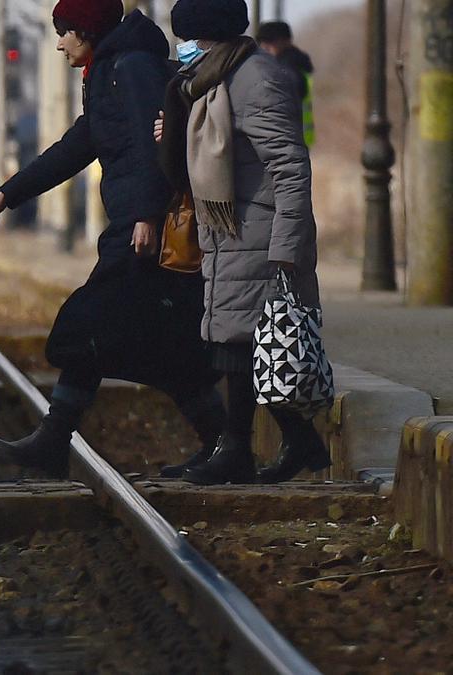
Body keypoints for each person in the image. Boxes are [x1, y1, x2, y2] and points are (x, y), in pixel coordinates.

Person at [0, 0, 224, 479]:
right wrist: (9, 194)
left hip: (139, 230)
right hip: (132, 224)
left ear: (88, 31)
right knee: (164, 347)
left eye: (67, 31)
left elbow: (158, 143)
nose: (60, 42)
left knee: (89, 325)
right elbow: (78, 145)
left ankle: (53, 438)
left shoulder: (130, 67)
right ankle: (220, 440)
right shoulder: (107, 69)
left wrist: (148, 216)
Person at [158, 0, 328, 485]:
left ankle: (237, 450)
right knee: (245, 342)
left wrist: (286, 247)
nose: (183, 47)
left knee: (242, 343)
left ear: (207, 36)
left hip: (261, 233)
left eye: (188, 37)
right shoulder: (216, 79)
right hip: (233, 231)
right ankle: (299, 443)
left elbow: (291, 167)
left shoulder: (255, 79)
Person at [255, 20, 314, 146]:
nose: (265, 47)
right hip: (295, 137)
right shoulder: (298, 64)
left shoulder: (287, 69)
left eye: (270, 42)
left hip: (286, 139)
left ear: (286, 41)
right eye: (262, 42)